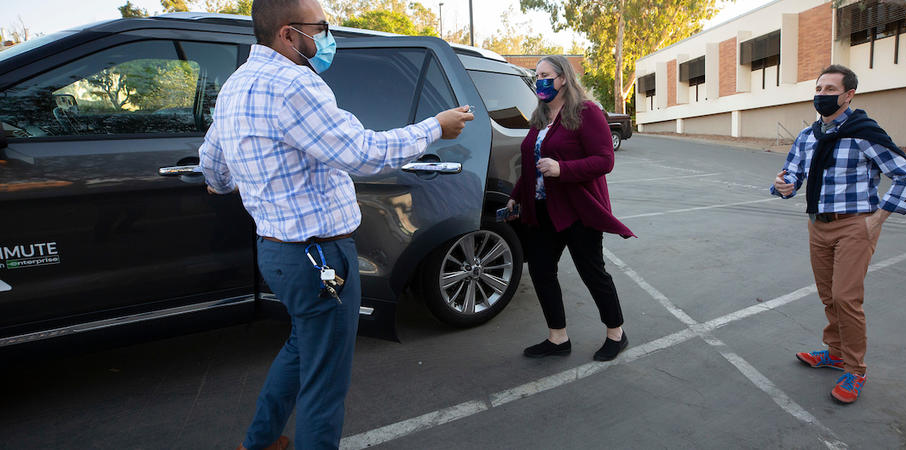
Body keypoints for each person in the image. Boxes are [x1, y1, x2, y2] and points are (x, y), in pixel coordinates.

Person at [198, 0, 474, 448]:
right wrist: (435, 128)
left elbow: (213, 161)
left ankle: (261, 440)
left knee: (304, 346)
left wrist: (222, 182)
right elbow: (361, 154)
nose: (328, 36)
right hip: (319, 256)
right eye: (321, 27)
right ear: (288, 34)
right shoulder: (293, 85)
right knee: (325, 379)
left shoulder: (236, 85)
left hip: (277, 251)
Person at [770, 64, 906, 404]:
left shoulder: (863, 133)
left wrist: (878, 218)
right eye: (818, 89)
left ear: (848, 95)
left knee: (846, 298)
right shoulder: (809, 136)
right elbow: (792, 175)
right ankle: (835, 352)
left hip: (855, 225)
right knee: (828, 295)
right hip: (817, 223)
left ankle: (855, 370)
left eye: (829, 90)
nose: (821, 95)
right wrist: (783, 185)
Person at [505, 55, 635, 362]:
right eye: (537, 76)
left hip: (578, 210)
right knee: (541, 271)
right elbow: (530, 164)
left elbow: (605, 161)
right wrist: (516, 195)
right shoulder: (539, 117)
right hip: (542, 210)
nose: (540, 81)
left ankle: (616, 333)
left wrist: (562, 169)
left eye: (546, 75)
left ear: (563, 78)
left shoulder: (586, 112)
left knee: (592, 272)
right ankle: (558, 338)